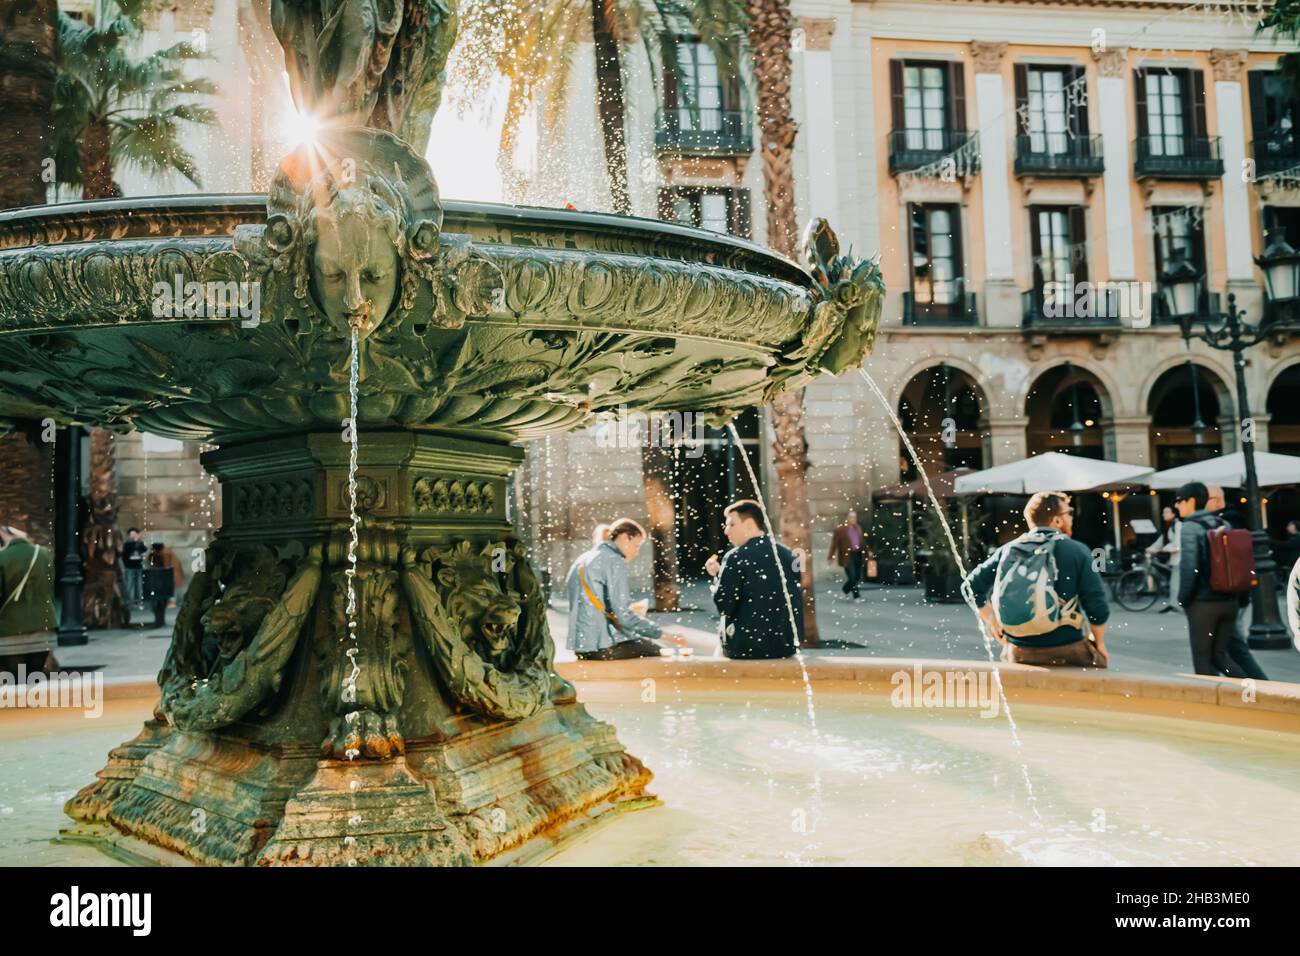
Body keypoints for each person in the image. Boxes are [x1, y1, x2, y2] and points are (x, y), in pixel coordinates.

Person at [964, 491, 1110, 668]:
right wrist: (1099, 643)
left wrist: (993, 621)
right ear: (1056, 521)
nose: (1072, 518)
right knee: (1099, 672)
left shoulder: (1008, 549)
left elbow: (970, 587)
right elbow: (1097, 605)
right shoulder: (1078, 550)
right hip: (1068, 650)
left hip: (1018, 651)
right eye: (1069, 513)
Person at [565, 518, 686, 660]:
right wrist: (667, 635)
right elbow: (624, 616)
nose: (637, 552)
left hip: (582, 647)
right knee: (661, 655)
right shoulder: (614, 560)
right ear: (625, 537)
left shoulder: (583, 559)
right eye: (636, 545)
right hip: (602, 647)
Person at [704, 500, 802, 659]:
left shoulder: (736, 557)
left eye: (731, 524)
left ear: (749, 524)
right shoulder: (787, 554)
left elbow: (723, 603)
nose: (726, 531)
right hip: (785, 647)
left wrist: (717, 577)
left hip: (746, 649)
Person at [1175, 482, 1251, 678]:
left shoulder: (1190, 527)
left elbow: (1189, 567)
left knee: (1202, 661)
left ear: (1191, 501)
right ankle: (1250, 694)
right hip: (1229, 601)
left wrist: (1184, 599)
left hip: (1204, 604)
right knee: (1219, 657)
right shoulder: (1223, 524)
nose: (1177, 506)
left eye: (1179, 501)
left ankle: (1209, 705)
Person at [1206, 484, 1269, 681]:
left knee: (1232, 648)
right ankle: (1257, 688)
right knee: (1229, 648)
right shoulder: (1227, 519)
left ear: (1216, 500)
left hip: (1229, 595)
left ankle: (1262, 688)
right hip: (1234, 594)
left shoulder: (1223, 523)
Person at [0, 524, 58, 675]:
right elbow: (49, 587)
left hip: (11, 630)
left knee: (17, 680)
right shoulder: (44, 553)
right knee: (35, 677)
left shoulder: (2, 558)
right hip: (43, 628)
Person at [1144, 505, 1181, 613]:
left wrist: (1165, 549)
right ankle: (1173, 604)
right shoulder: (1169, 527)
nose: (1164, 514)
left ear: (1174, 514)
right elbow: (1159, 542)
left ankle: (1174, 606)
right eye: (1163, 512)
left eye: (1167, 512)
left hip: (1180, 559)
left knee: (1174, 584)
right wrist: (1150, 549)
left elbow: (1178, 544)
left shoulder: (1178, 525)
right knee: (1173, 583)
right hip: (1174, 560)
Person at [827, 508, 867, 601]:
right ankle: (857, 596)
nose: (854, 519)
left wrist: (867, 551)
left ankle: (844, 591)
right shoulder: (840, 530)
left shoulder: (858, 528)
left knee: (856, 577)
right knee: (852, 575)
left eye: (855, 518)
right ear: (848, 518)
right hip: (847, 556)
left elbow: (862, 542)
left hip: (857, 554)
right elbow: (834, 544)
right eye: (852, 517)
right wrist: (831, 556)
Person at [121, 527, 147, 609]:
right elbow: (125, 554)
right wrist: (135, 542)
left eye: (134, 534)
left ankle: (139, 601)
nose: (133, 536)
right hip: (130, 567)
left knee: (139, 585)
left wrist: (139, 541)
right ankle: (130, 602)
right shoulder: (127, 544)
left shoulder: (140, 543)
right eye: (131, 534)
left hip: (138, 566)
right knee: (130, 585)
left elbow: (144, 549)